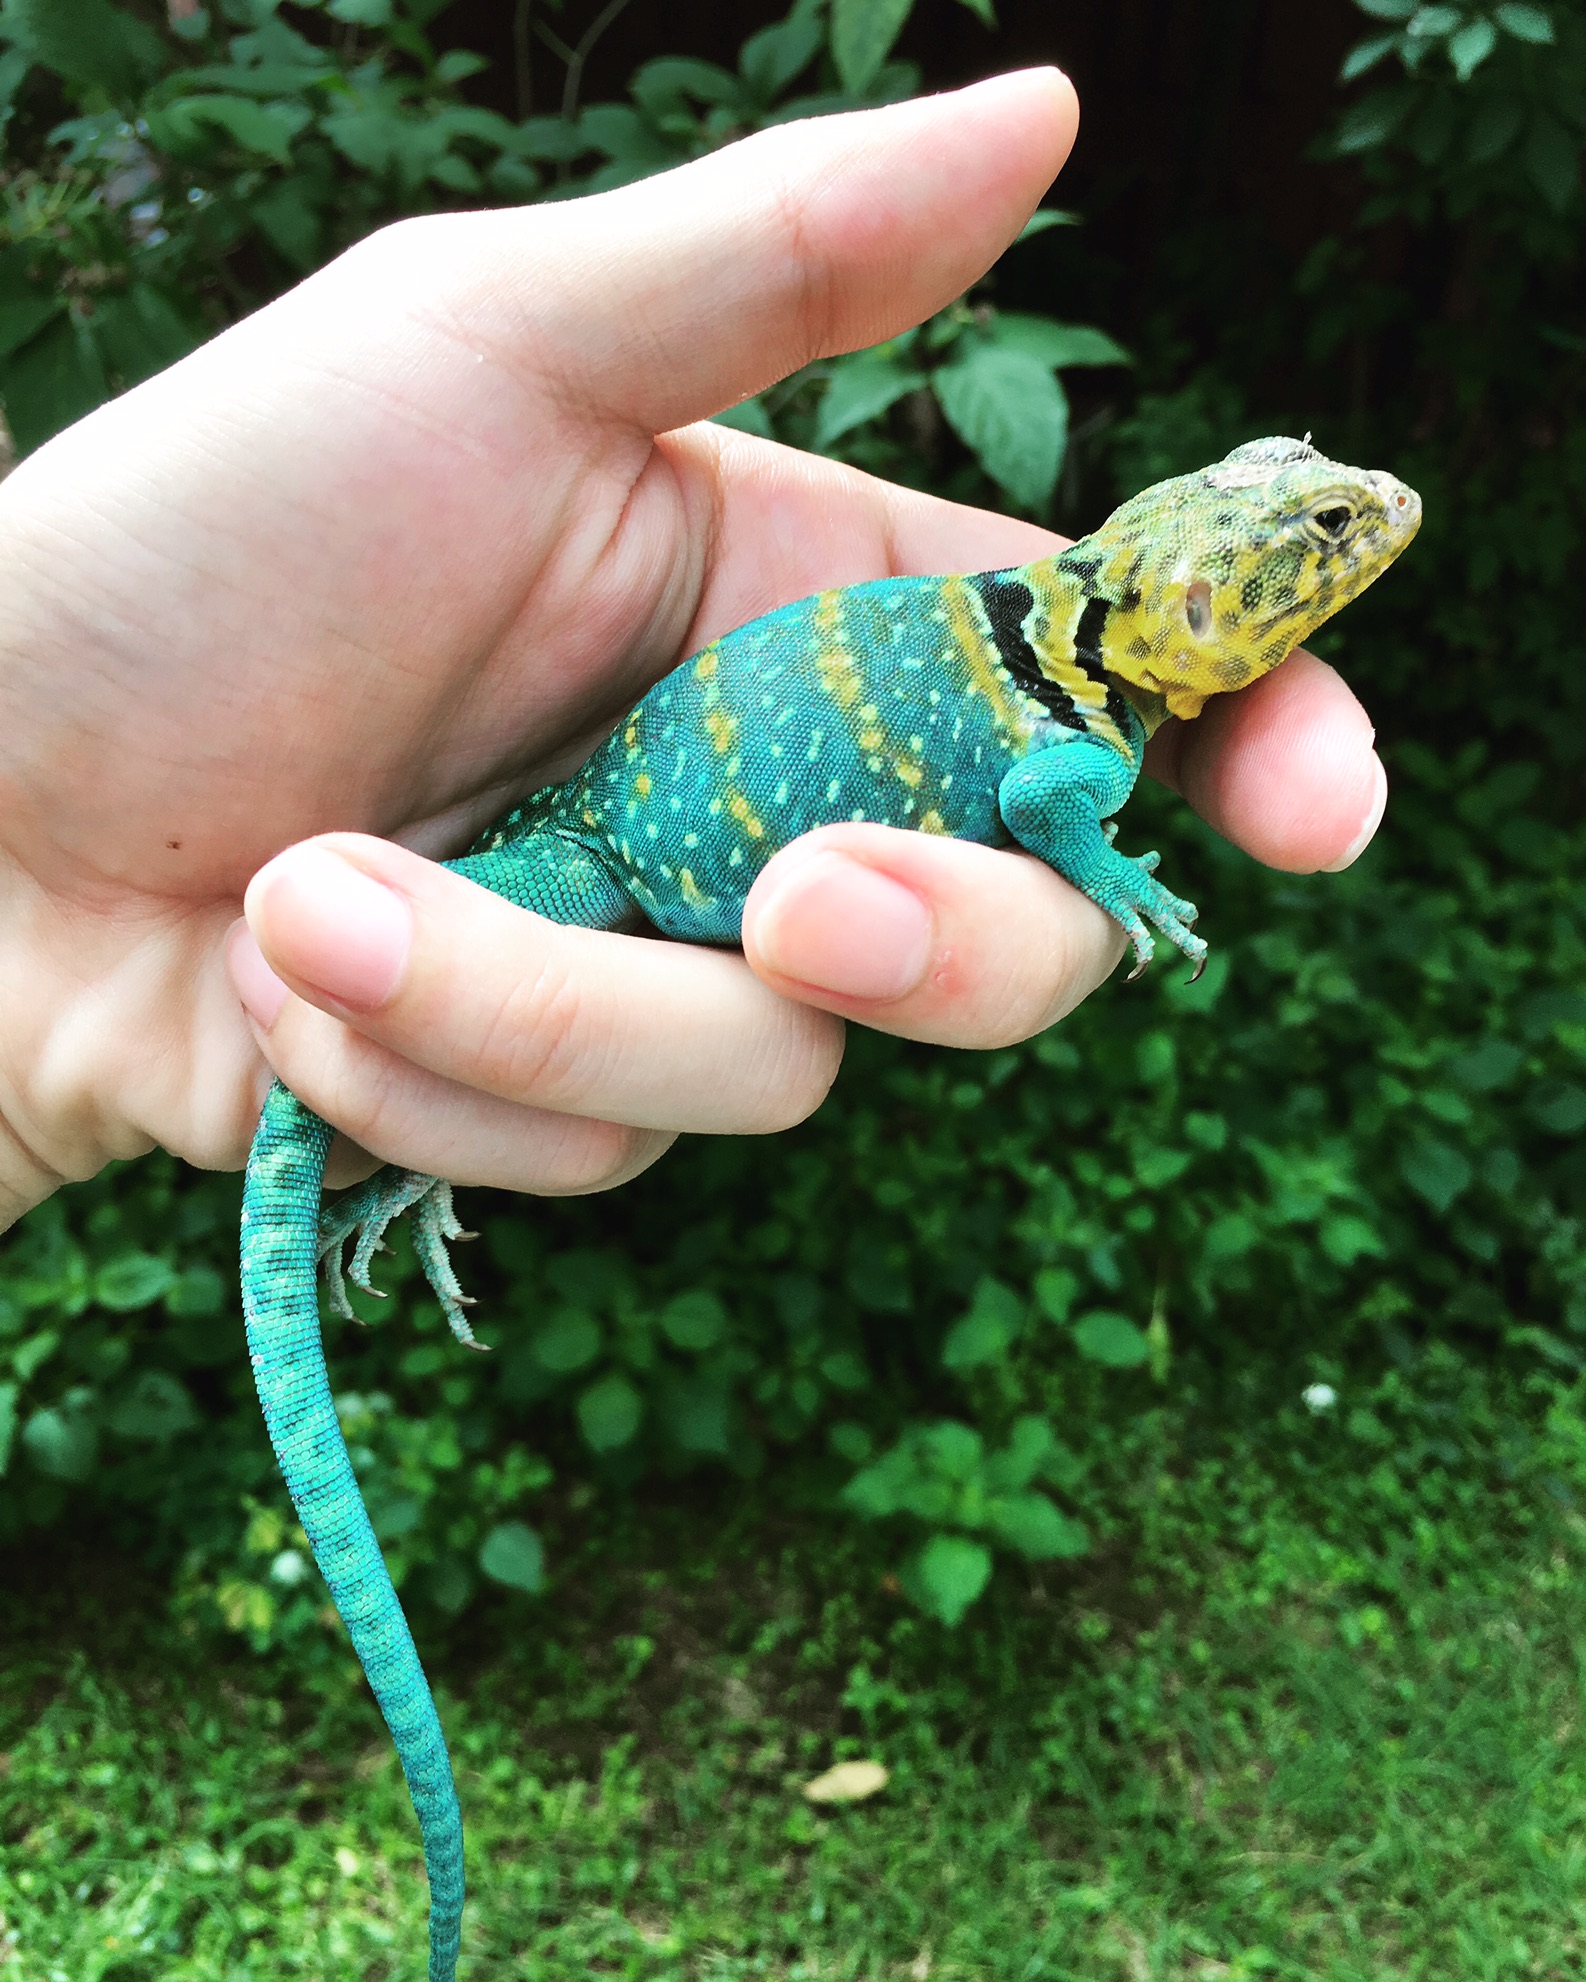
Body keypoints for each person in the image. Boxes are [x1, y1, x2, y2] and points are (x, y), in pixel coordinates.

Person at [0, 71, 1387, 1231]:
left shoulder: (1032, 640)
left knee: (446, 1013)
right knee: (388, 1030)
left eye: (1322, 514)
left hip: (584, 847)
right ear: (1198, 603)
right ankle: (394, 1163)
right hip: (593, 856)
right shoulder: (1070, 731)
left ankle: (399, 1156)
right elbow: (1037, 805)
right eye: (1322, 520)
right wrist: (1118, 881)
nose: (1363, 521)